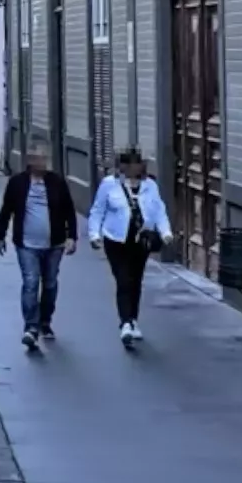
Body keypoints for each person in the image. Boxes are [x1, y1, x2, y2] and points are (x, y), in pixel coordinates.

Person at [0, 144, 76, 350]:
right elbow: (7, 209)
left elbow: (69, 210)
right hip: (26, 243)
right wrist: (0, 235)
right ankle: (31, 327)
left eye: (44, 158)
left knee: (50, 283)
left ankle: (45, 321)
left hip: (54, 244)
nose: (42, 162)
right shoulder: (18, 183)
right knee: (30, 282)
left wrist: (72, 236)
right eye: (38, 158)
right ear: (29, 161)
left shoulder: (56, 182)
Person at [87, 147, 173, 345]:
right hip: (115, 240)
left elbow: (159, 210)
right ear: (123, 166)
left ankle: (133, 320)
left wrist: (165, 232)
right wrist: (94, 234)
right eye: (133, 163)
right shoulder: (109, 185)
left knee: (135, 281)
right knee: (123, 280)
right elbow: (98, 210)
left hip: (140, 240)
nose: (138, 166)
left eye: (139, 162)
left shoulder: (150, 185)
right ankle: (125, 323)